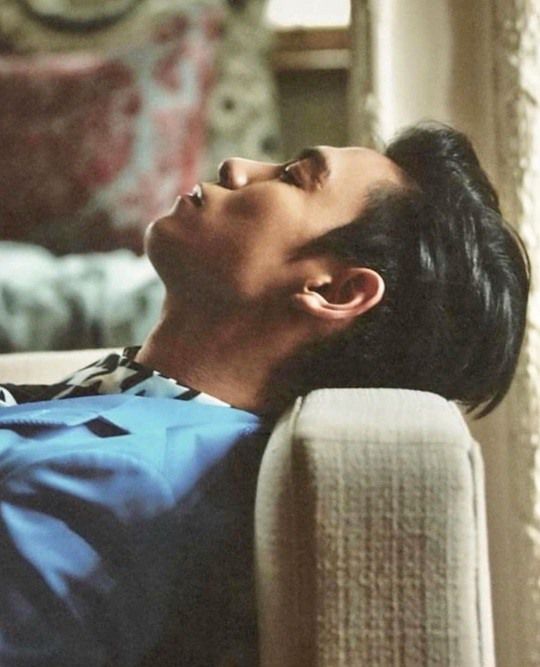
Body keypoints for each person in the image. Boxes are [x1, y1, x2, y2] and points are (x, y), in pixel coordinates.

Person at [0, 122, 530, 666]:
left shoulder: (123, 486)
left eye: (293, 177)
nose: (236, 167)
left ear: (334, 290)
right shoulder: (142, 414)